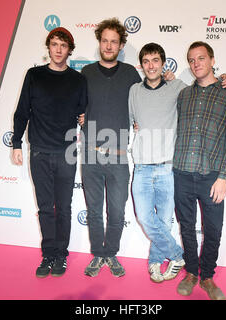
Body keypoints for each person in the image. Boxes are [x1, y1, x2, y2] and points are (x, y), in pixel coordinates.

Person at [129, 43, 226, 283]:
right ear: (142, 65)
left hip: (168, 167)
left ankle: (156, 261)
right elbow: (130, 118)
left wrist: (225, 78)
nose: (151, 65)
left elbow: (205, 89)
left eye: (156, 60)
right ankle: (178, 255)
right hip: (142, 166)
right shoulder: (134, 90)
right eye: (146, 61)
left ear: (163, 63)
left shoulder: (179, 88)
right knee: (145, 217)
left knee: (165, 221)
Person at [11, 27, 87, 278]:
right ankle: (48, 254)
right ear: (49, 46)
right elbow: (22, 111)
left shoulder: (78, 80)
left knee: (63, 208)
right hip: (40, 152)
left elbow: (83, 113)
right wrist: (16, 144)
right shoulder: (34, 75)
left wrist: (85, 118)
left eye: (63, 46)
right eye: (54, 44)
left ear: (69, 50)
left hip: (67, 153)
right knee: (45, 208)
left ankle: (61, 256)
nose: (58, 49)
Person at [173, 41, 226, 300]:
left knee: (213, 228)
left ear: (212, 60)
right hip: (181, 172)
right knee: (186, 227)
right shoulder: (183, 95)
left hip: (212, 176)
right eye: (191, 60)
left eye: (201, 58)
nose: (196, 63)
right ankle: (191, 273)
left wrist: (223, 176)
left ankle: (207, 277)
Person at [79, 18, 142, 278]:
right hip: (90, 155)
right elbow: (73, 103)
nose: (108, 45)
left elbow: (149, 94)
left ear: (121, 45)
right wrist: (78, 116)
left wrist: (169, 77)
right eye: (104, 40)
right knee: (94, 211)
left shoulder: (130, 74)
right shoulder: (86, 73)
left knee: (116, 210)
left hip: (118, 158)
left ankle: (111, 254)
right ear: (99, 42)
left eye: (114, 41)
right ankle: (97, 255)